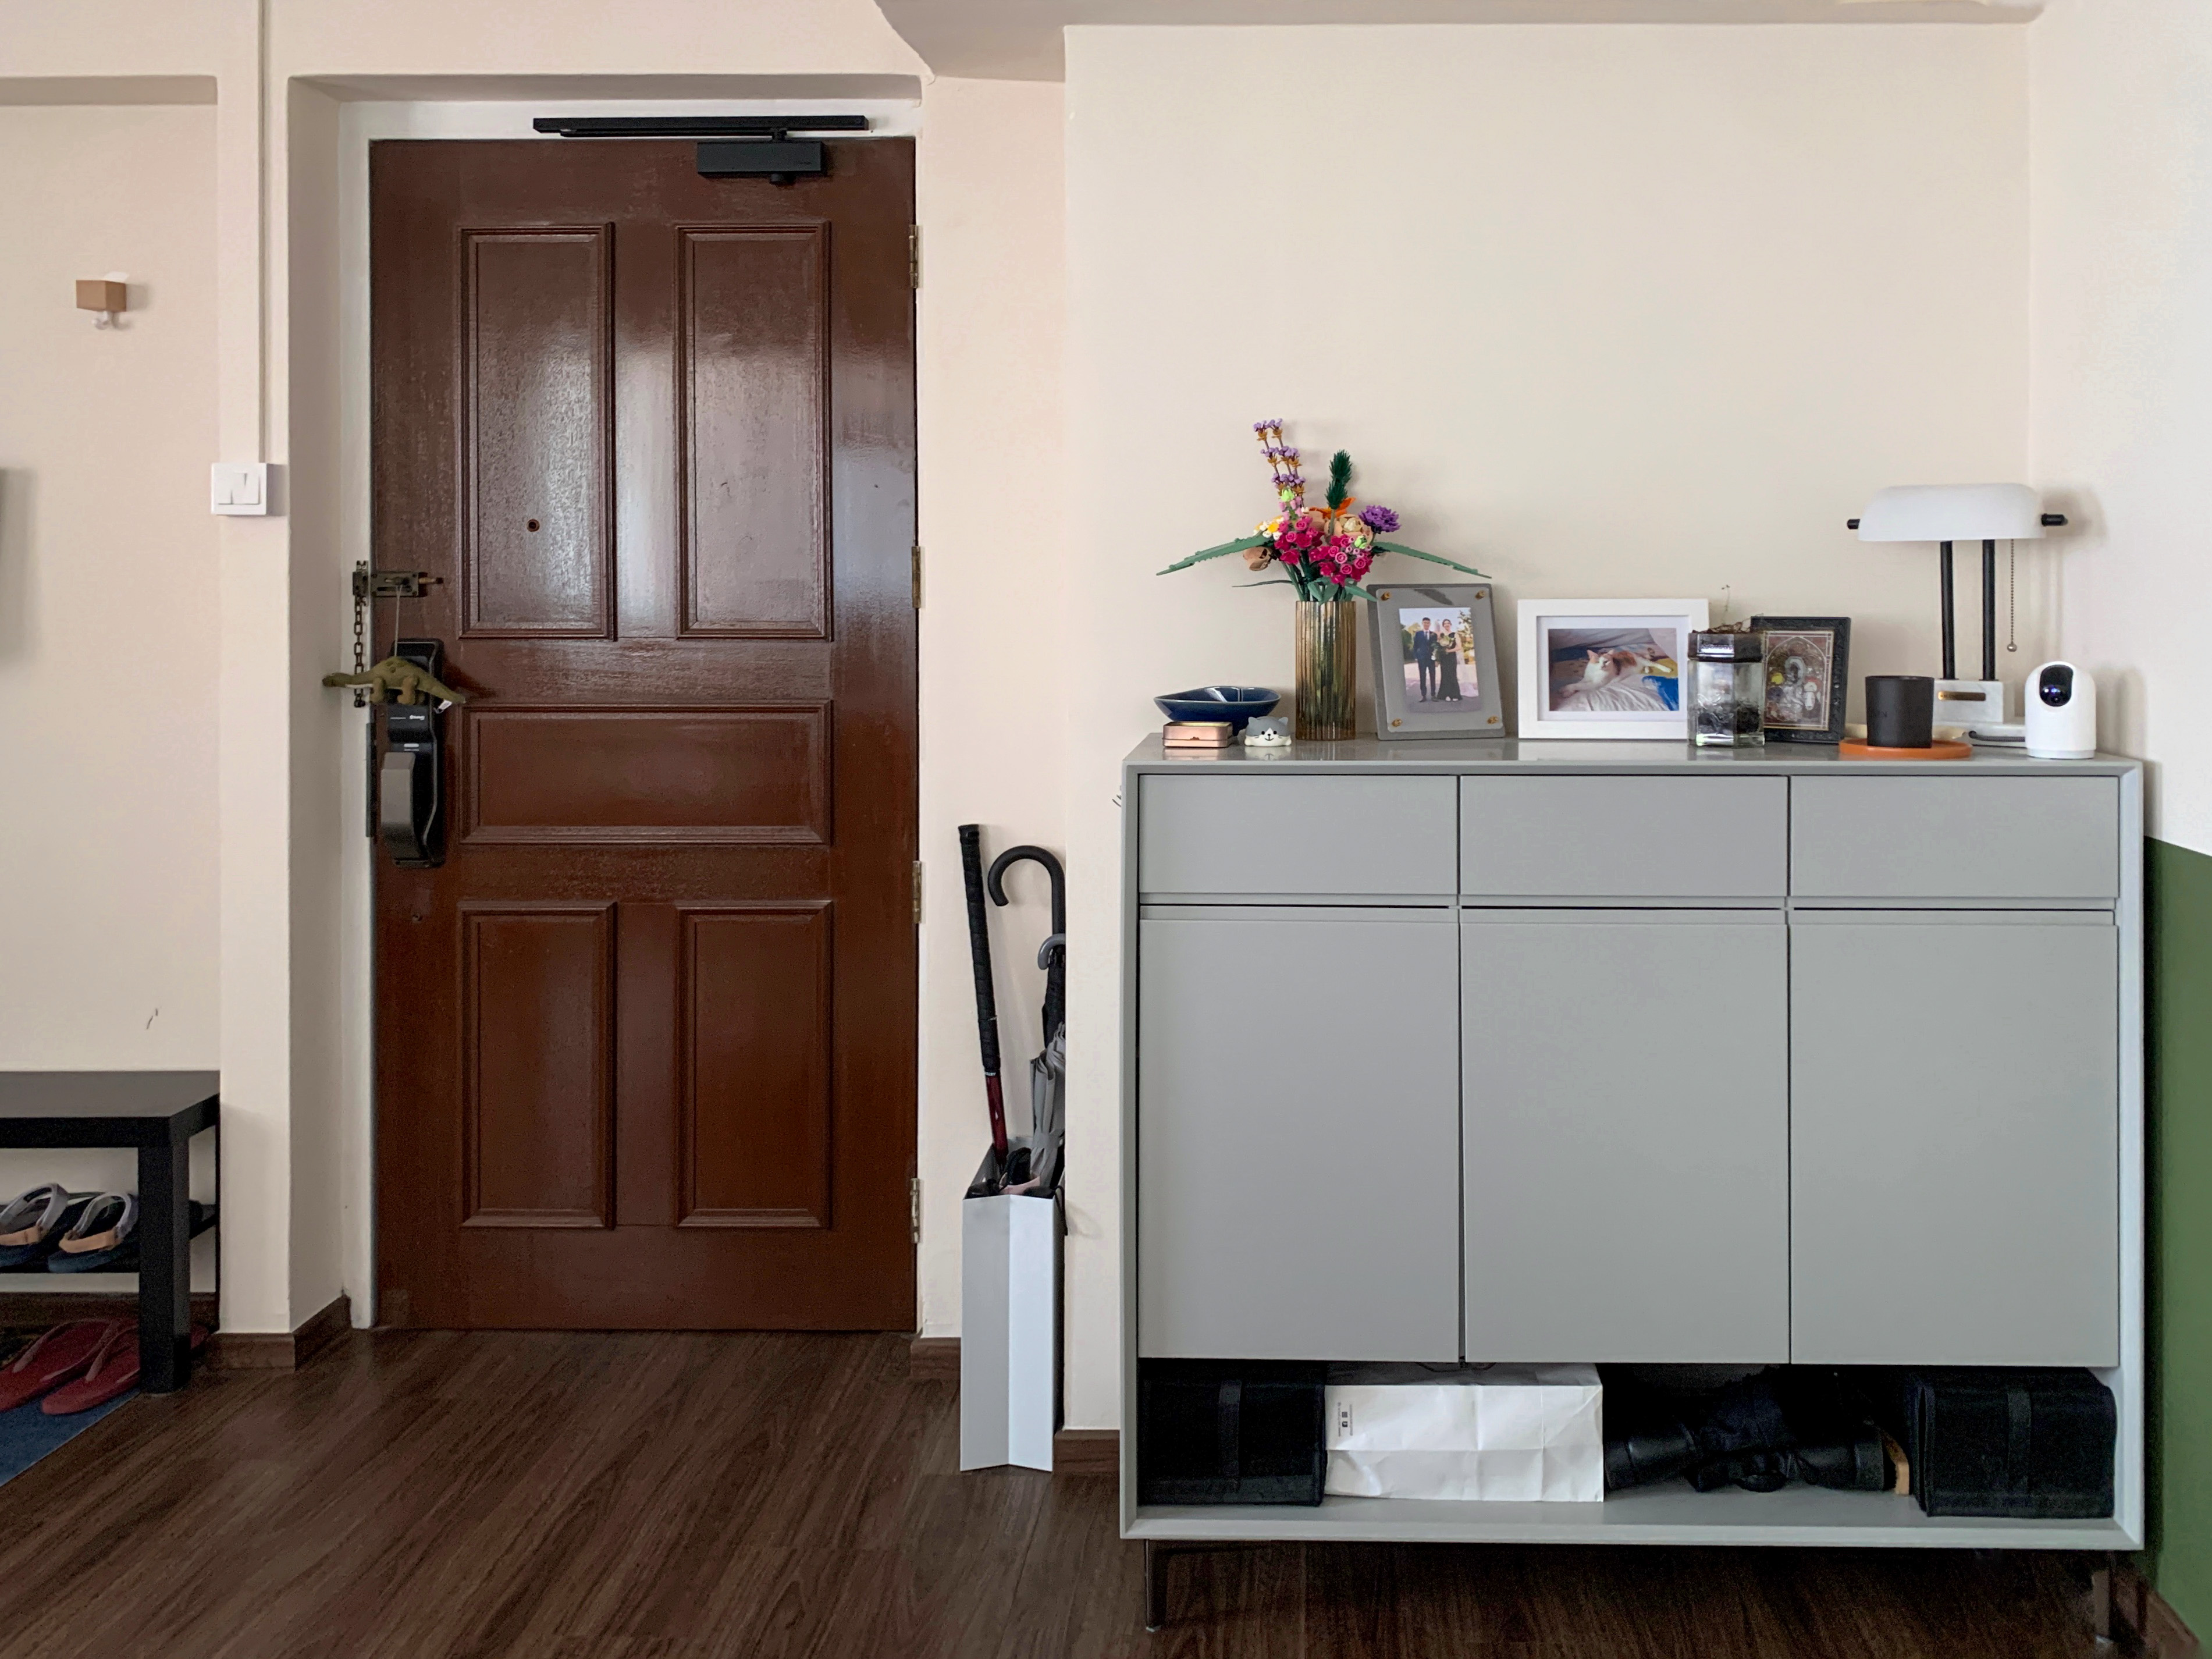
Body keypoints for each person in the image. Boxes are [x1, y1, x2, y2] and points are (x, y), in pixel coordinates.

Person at [1413, 617, 1438, 702]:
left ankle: (1433, 695)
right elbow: (1415, 646)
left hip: (1431, 659)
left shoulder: (1434, 635)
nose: (1426, 624)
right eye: (1425, 623)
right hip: (1422, 659)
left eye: (1428, 623)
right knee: (1422, 677)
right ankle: (1423, 695)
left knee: (1433, 676)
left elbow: (1436, 647)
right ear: (1422, 623)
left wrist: (1436, 659)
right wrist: (1416, 656)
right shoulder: (1418, 634)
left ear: (1430, 624)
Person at [1437, 621, 1463, 702]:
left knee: (1452, 675)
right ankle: (1446, 695)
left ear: (1451, 625)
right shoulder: (1442, 635)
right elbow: (1438, 647)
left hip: (1451, 657)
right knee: (1445, 676)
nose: (1447, 625)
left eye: (1448, 623)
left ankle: (1455, 695)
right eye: (1445, 624)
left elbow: (1459, 647)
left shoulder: (1455, 634)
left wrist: (1450, 651)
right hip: (1444, 658)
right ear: (1443, 626)